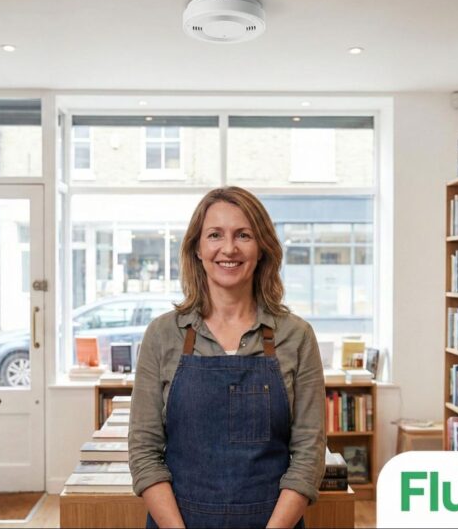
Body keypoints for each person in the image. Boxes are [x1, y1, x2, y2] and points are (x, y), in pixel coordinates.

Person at [129, 186, 326, 529]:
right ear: (198, 249)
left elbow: (309, 455)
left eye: (243, 235)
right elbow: (144, 451)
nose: (229, 248)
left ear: (262, 249)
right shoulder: (163, 335)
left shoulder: (296, 336)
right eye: (215, 235)